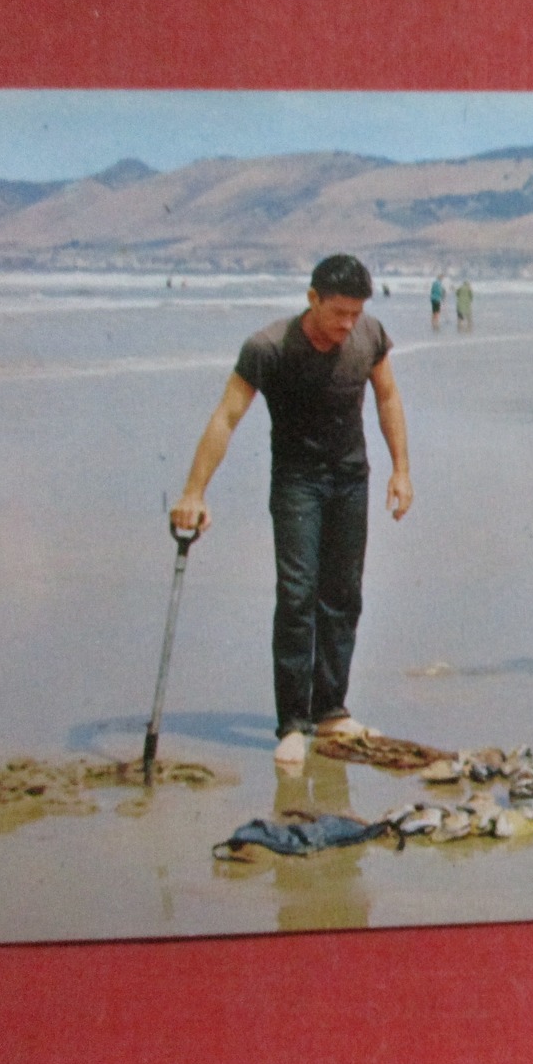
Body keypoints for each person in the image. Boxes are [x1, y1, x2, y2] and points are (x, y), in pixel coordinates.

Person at [169, 254, 413, 765]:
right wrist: (195, 491)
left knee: (343, 594)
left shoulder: (370, 336)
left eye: (356, 313)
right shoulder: (269, 347)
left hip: (351, 479)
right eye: (338, 312)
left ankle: (331, 711)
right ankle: (293, 723)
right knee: (298, 596)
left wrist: (401, 470)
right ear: (312, 300)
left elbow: (388, 397)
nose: (348, 324)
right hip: (297, 484)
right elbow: (227, 415)